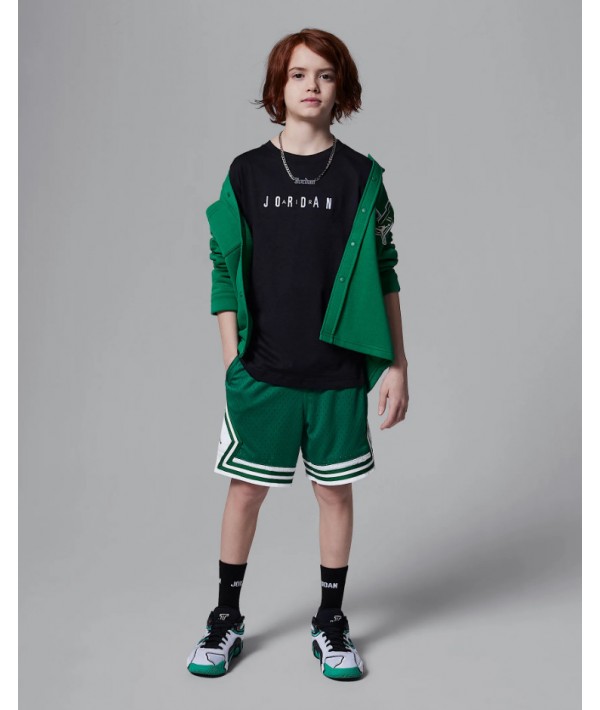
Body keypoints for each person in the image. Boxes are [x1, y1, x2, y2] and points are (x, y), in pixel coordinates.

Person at [186, 27, 409, 681]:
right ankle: (225, 618)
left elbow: (386, 273)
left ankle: (330, 622)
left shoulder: (363, 178)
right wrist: (232, 358)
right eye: (298, 74)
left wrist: (396, 364)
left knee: (335, 496)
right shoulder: (247, 172)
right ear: (278, 87)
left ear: (342, 88)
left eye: (325, 75)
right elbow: (222, 266)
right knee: (245, 492)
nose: (312, 86)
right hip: (264, 371)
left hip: (338, 372)